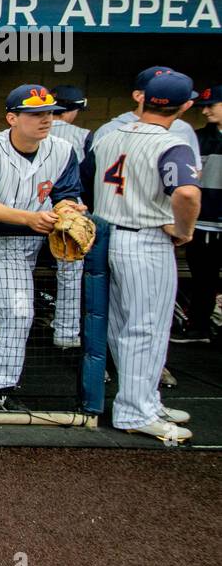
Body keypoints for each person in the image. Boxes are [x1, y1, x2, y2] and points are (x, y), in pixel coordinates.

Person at [0, 85, 84, 408]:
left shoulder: (62, 150)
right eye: (35, 114)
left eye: (49, 112)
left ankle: (2, 383)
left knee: (20, 312)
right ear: (12, 118)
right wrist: (29, 218)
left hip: (12, 242)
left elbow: (66, 192)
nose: (45, 119)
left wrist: (67, 209)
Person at [86, 71, 201, 442]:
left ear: (142, 99)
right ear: (184, 106)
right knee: (146, 328)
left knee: (123, 327)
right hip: (146, 239)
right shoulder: (173, 142)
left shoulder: (108, 134)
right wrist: (183, 230)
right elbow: (186, 194)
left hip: (107, 237)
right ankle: (135, 411)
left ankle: (144, 400)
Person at [174, 81, 221, 345]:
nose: (204, 111)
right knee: (204, 279)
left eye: (210, 105)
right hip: (204, 222)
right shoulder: (198, 138)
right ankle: (199, 328)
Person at [46, 85, 93, 348]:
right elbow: (87, 177)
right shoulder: (84, 135)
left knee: (17, 269)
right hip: (67, 212)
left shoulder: (25, 130)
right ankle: (65, 332)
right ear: (71, 109)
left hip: (33, 209)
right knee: (70, 274)